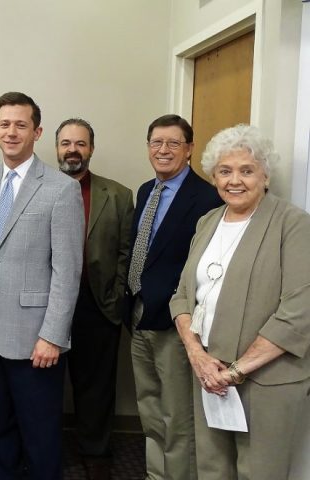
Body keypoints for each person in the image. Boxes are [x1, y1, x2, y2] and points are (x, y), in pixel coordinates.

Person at [170, 124, 310, 479]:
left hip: (267, 380)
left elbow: (298, 311)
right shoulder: (208, 222)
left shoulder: (292, 224)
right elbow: (183, 296)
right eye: (225, 171)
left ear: (265, 175)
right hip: (209, 374)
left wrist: (236, 371)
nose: (235, 180)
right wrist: (199, 357)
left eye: (246, 170)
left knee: (260, 473)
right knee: (212, 470)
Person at [0, 92, 84, 480]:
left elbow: (68, 271)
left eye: (21, 125)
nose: (11, 132)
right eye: (4, 124)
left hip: (36, 340)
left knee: (40, 432)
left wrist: (53, 335)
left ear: (37, 131)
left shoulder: (61, 188)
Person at [126, 114, 222, 480]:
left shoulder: (209, 197)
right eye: (156, 143)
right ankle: (156, 475)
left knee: (177, 417)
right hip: (139, 315)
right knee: (149, 409)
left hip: (178, 324)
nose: (163, 150)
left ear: (189, 149)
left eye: (173, 143)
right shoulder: (145, 191)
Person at [56, 118, 133, 480]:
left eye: (81, 143)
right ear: (56, 147)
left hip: (97, 305)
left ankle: (96, 453)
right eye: (66, 143)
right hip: (46, 306)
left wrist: (116, 299)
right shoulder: (39, 188)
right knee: (44, 385)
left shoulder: (117, 195)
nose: (73, 149)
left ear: (91, 148)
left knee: (97, 386)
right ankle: (45, 450)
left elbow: (125, 252)